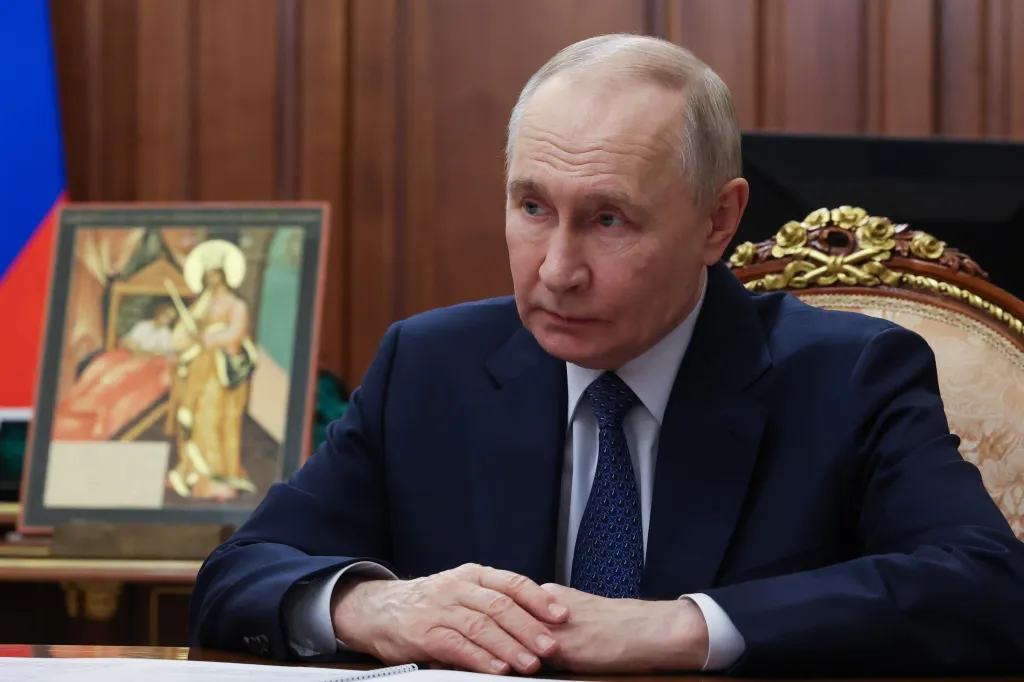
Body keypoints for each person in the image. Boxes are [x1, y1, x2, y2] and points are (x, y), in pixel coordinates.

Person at [188, 35, 1024, 676]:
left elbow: (986, 587)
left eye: (608, 219)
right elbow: (239, 576)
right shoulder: (431, 366)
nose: (556, 270)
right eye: (532, 207)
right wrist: (375, 607)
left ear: (716, 222)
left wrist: (687, 624)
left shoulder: (848, 375)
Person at [168, 252, 257, 501]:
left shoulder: (236, 305)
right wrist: (190, 336)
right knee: (194, 420)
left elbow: (235, 333)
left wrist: (206, 337)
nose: (211, 280)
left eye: (215, 274)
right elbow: (181, 335)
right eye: (207, 275)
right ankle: (194, 473)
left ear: (224, 276)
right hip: (198, 373)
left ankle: (218, 477)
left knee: (213, 420)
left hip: (220, 377)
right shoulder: (202, 304)